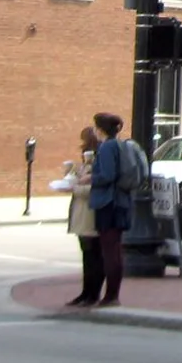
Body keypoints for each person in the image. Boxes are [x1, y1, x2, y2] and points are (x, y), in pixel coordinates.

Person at [89, 111, 132, 307]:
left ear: (100, 129)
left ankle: (111, 295)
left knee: (110, 251)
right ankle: (112, 293)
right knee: (114, 250)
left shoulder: (107, 147)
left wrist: (89, 178)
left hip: (109, 203)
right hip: (120, 201)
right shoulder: (119, 145)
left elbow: (107, 175)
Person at [65, 127, 102, 307]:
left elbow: (93, 188)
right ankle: (86, 292)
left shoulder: (96, 163)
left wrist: (75, 187)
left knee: (92, 256)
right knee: (87, 256)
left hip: (89, 213)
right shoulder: (87, 165)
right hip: (82, 213)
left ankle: (92, 293)